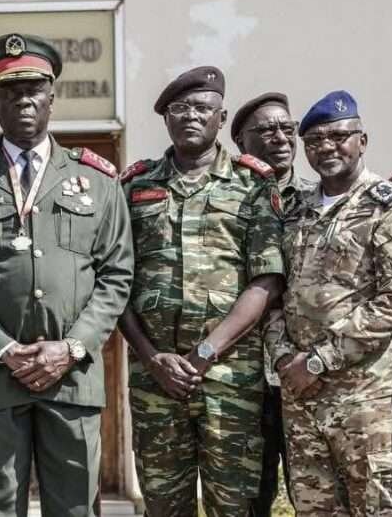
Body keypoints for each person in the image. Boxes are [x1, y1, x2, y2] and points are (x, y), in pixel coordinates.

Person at [0, 33, 133, 517]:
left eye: (34, 90)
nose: (23, 100)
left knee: (75, 507)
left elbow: (117, 275)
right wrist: (4, 350)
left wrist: (72, 346)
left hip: (73, 377)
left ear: (51, 97)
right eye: (10, 91)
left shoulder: (99, 180)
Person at [118, 70, 286, 517]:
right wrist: (153, 358)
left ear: (221, 117)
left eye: (202, 109)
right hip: (156, 381)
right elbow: (116, 282)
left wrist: (204, 354)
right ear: (166, 119)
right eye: (180, 109)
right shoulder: (134, 186)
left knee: (233, 504)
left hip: (229, 380)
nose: (191, 116)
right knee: (163, 505)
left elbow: (266, 280)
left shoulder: (253, 184)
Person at [266, 90, 392, 516]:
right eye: (315, 141)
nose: (326, 148)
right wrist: (284, 359)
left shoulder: (389, 206)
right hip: (301, 398)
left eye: (338, 136)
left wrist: (316, 361)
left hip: (366, 399)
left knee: (379, 508)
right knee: (314, 509)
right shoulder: (296, 210)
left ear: (362, 140)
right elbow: (277, 294)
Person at [230, 91, 310, 516]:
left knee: (313, 494)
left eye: (287, 128)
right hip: (243, 376)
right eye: (266, 130)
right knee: (249, 496)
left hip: (307, 372)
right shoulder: (229, 200)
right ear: (241, 142)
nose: (280, 137)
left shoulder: (320, 201)